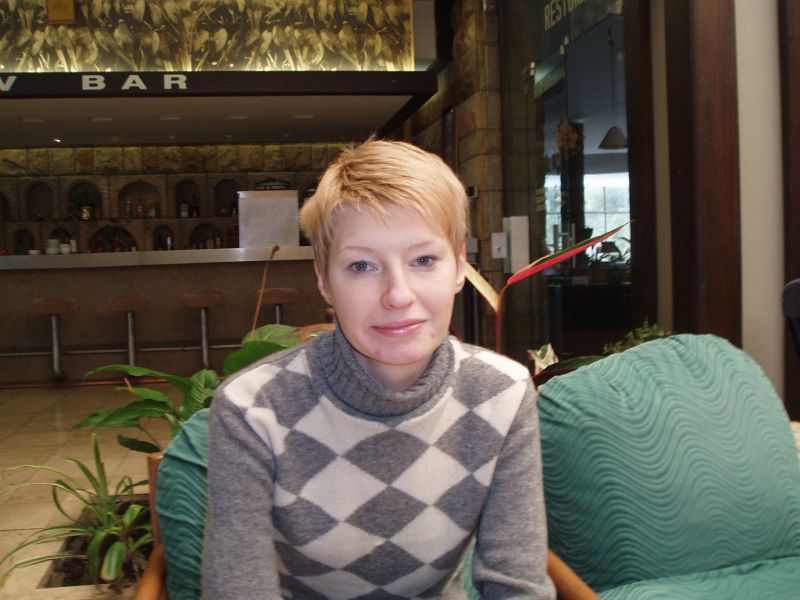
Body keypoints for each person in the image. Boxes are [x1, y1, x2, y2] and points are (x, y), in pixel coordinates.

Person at [202, 139, 555, 599]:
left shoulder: (502, 395)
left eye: (423, 260)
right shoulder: (253, 410)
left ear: (458, 268)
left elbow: (518, 584)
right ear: (324, 281)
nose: (398, 295)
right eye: (363, 266)